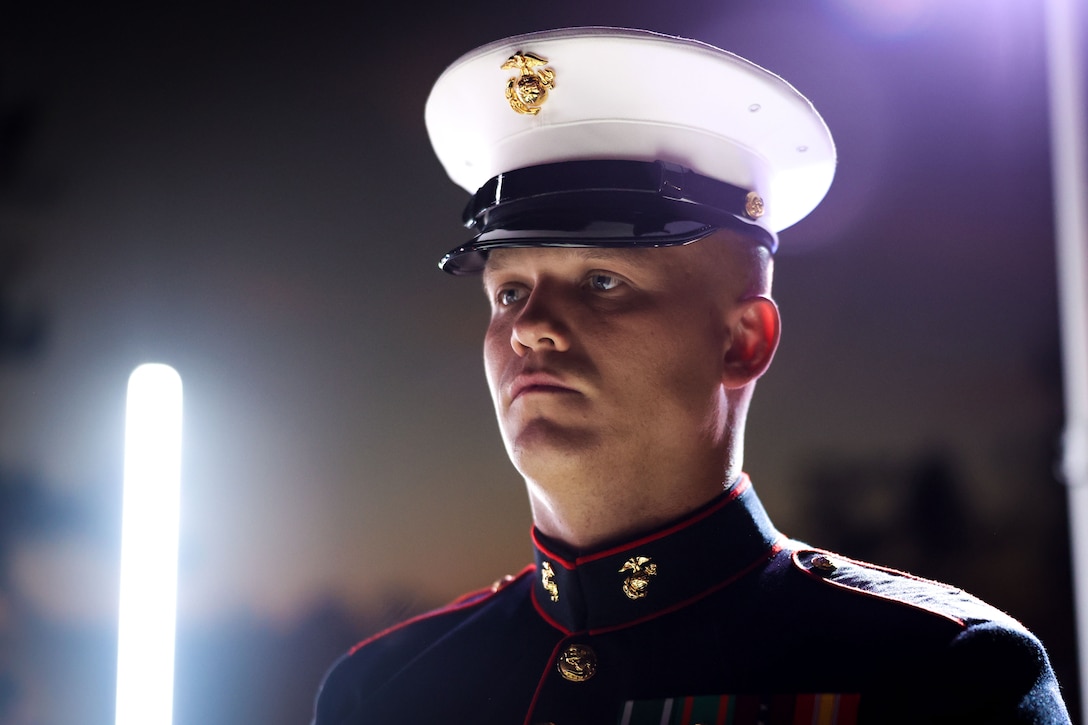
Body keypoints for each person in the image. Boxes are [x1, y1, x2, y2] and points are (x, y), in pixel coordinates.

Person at [312, 27, 1072, 724]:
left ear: (743, 339)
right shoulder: (383, 691)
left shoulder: (940, 675)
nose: (528, 324)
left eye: (602, 281)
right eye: (509, 290)